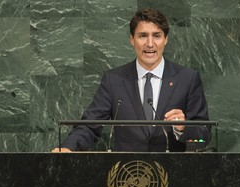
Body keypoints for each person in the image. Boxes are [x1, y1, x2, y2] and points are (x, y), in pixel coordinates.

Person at [52, 8, 210, 152]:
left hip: (174, 175)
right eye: (142, 36)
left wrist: (183, 128)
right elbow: (89, 127)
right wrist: (68, 148)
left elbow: (204, 136)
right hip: (125, 176)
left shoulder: (187, 79)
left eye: (156, 36)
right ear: (132, 39)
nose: (149, 44)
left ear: (165, 39)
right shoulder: (114, 80)